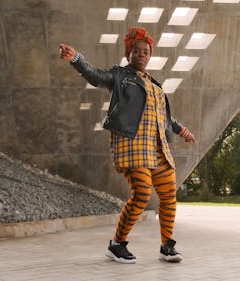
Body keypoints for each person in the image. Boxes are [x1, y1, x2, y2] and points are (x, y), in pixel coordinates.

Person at [59, 27, 197, 264]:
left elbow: (164, 117)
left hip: (158, 148)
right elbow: (95, 76)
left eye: (146, 52)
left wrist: (182, 130)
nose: (141, 54)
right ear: (128, 54)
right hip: (132, 144)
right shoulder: (120, 76)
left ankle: (167, 246)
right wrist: (77, 59)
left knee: (167, 196)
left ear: (149, 56)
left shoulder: (155, 85)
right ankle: (116, 244)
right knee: (142, 193)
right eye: (137, 51)